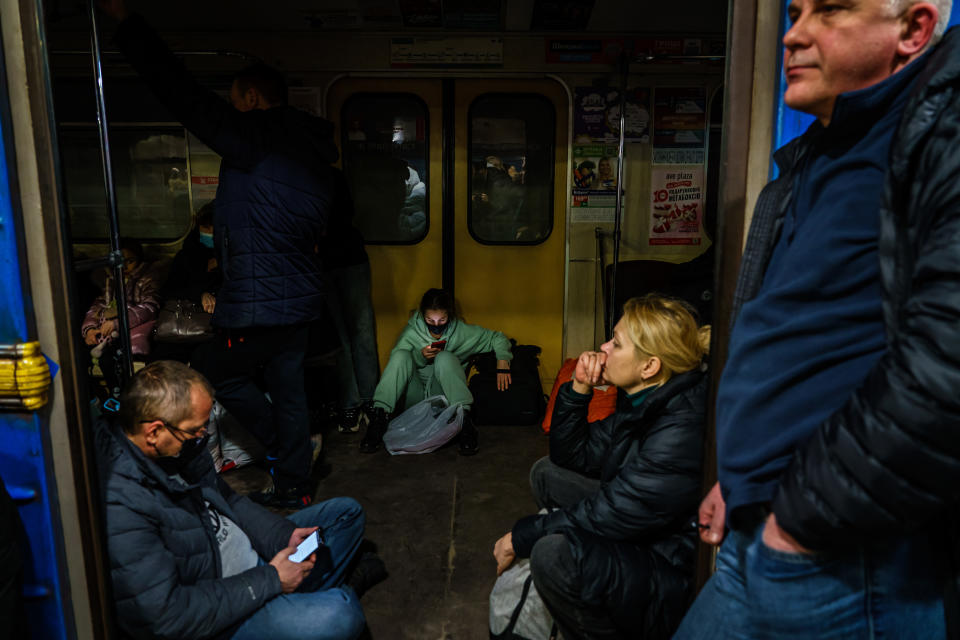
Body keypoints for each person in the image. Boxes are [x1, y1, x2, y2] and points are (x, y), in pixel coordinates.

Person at [674, 2, 960, 638]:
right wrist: (741, 478)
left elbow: (947, 366)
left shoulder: (936, 138)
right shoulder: (821, 154)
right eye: (796, 10)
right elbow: (800, 337)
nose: (794, 33)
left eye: (830, 11)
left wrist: (804, 513)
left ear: (913, 30)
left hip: (846, 554)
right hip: (766, 521)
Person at [99, 0, 340, 508]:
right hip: (298, 298)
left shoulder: (254, 135)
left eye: (235, 101)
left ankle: (289, 453)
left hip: (258, 300)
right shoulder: (313, 148)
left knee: (217, 370)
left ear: (250, 98)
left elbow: (182, 95)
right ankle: (296, 478)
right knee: (288, 388)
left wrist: (129, 24)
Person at [96, 361, 374, 640]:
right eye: (194, 429)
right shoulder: (121, 504)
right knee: (341, 613)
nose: (202, 436)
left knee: (346, 514)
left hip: (255, 565)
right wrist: (271, 580)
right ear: (154, 432)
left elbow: (229, 500)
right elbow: (169, 617)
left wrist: (283, 536)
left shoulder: (183, 448)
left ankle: (300, 596)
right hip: (224, 605)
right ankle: (307, 595)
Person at [492, 295, 709, 640]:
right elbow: (572, 456)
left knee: (552, 554)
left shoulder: (681, 425)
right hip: (639, 522)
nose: (603, 348)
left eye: (616, 343)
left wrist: (524, 536)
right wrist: (579, 388)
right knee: (546, 472)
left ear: (649, 366)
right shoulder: (645, 397)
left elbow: (615, 512)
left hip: (666, 564)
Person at [359, 288, 512, 456]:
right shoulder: (411, 332)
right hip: (413, 399)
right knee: (401, 354)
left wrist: (503, 361)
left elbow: (497, 338)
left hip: (444, 401)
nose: (436, 326)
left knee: (444, 356)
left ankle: (465, 422)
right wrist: (420, 356)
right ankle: (379, 417)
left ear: (450, 316)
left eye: (442, 320)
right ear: (422, 315)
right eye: (430, 320)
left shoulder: (461, 332)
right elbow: (398, 365)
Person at [319, 170, 379, 434]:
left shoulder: (323, 176)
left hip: (338, 257)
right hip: (341, 257)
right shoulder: (330, 175)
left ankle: (361, 402)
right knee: (346, 337)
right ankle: (358, 401)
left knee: (356, 333)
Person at [82, 237, 160, 399]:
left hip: (134, 329)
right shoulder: (111, 281)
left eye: (130, 261)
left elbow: (149, 308)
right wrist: (90, 329)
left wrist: (118, 323)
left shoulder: (146, 280)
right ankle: (108, 397)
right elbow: (98, 307)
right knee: (99, 358)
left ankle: (125, 395)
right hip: (108, 333)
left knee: (119, 357)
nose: (124, 266)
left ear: (139, 261)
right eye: (120, 262)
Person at [152, 200, 221, 363]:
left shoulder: (232, 258)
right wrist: (200, 294)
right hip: (183, 322)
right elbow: (169, 290)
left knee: (206, 359)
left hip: (215, 327)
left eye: (213, 228)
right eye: (205, 228)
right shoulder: (186, 256)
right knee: (162, 360)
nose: (209, 232)